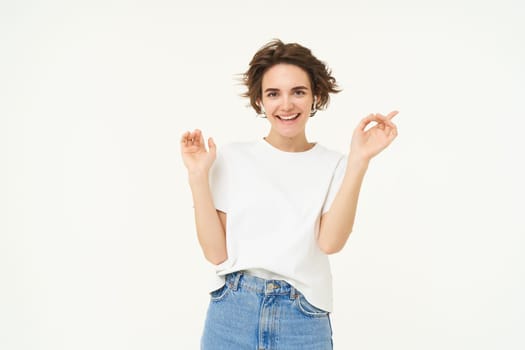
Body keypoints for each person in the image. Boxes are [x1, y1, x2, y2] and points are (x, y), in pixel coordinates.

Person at [180, 39, 398, 350]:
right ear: (260, 101)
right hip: (232, 311)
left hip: (303, 316)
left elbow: (330, 243)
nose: (286, 105)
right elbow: (216, 253)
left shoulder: (334, 164)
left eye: (298, 91)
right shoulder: (231, 158)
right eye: (273, 94)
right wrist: (197, 176)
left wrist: (359, 160)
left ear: (315, 96)